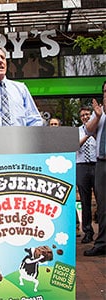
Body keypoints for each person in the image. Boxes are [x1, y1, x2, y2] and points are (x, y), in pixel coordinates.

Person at [0, 45, 42, 127]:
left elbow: (34, 119)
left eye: (3, 58)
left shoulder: (21, 88)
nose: (0, 60)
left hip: (20, 137)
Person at [83, 81, 106, 256]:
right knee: (102, 205)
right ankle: (102, 243)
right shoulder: (99, 114)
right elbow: (87, 131)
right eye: (105, 91)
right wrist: (97, 116)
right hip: (102, 162)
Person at [76, 106, 97, 244]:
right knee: (85, 201)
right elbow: (74, 146)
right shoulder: (77, 131)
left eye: (87, 114)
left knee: (101, 199)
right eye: (83, 115)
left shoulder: (98, 128)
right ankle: (87, 231)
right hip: (81, 166)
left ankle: (102, 232)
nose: (85, 117)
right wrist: (87, 134)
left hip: (96, 165)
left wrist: (93, 132)